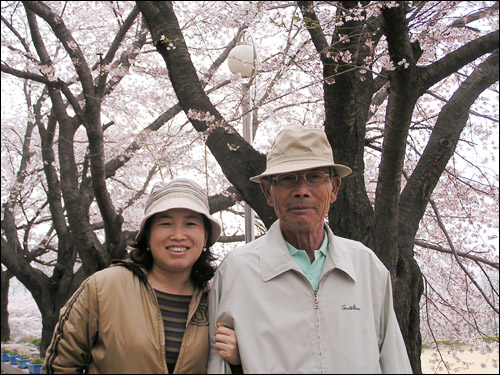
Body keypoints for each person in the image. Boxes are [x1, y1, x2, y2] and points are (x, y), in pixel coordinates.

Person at [207, 125, 412, 374]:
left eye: (315, 177)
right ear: (267, 192)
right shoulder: (238, 270)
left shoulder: (365, 266)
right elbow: (218, 365)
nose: (301, 191)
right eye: (286, 178)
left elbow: (393, 360)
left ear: (334, 188)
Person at [43, 178, 240, 374]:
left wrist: (237, 361)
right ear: (147, 235)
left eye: (190, 224)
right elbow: (60, 366)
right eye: (165, 224)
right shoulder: (103, 287)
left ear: (205, 236)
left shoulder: (215, 300)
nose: (178, 235)